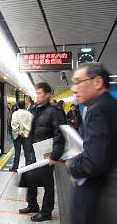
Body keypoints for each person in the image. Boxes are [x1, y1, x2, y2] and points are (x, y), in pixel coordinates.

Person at [68, 62, 117, 224]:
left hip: (99, 200)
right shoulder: (110, 105)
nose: (74, 89)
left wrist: (73, 162)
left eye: (78, 82)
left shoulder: (98, 110)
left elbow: (94, 163)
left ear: (97, 82)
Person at [19, 82, 65, 222]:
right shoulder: (34, 110)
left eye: (39, 93)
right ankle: (32, 205)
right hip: (31, 151)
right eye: (36, 93)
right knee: (30, 179)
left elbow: (59, 135)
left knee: (47, 183)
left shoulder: (55, 112)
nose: (37, 95)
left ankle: (46, 212)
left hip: (46, 154)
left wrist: (55, 155)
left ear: (48, 94)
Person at [9, 100, 34, 172]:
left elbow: (14, 124)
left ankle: (15, 167)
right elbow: (32, 124)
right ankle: (28, 167)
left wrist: (18, 133)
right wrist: (26, 133)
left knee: (17, 152)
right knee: (27, 152)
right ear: (25, 106)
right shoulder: (29, 114)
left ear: (17, 106)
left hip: (18, 136)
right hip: (26, 136)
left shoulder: (15, 113)